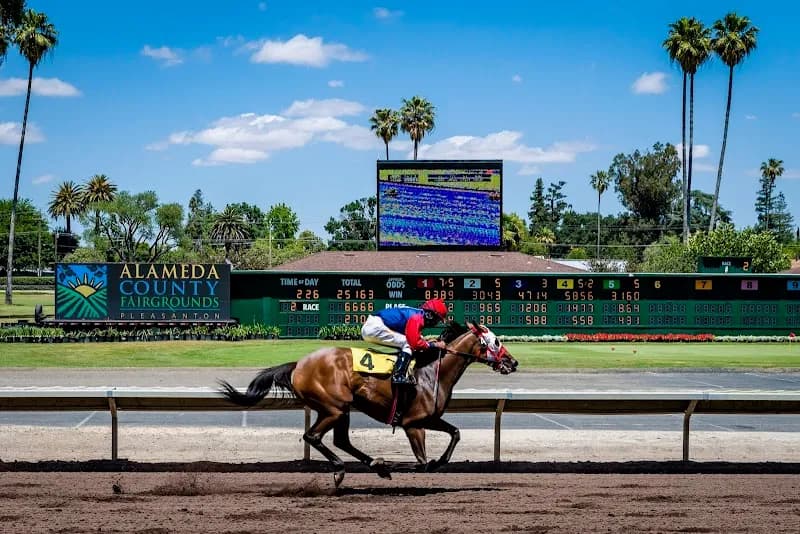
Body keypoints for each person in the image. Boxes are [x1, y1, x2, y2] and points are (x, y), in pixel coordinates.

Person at [361, 298, 449, 386]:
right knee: (408, 344)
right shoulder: (416, 318)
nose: (436, 323)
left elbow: (415, 337)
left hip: (375, 325)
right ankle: (398, 375)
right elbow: (415, 343)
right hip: (374, 327)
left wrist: (426, 341)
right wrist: (434, 345)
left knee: (411, 341)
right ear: (430, 315)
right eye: (437, 320)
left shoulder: (417, 315)